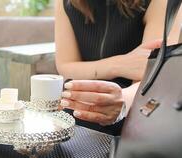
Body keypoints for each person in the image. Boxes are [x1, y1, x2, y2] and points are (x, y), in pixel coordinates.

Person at [55, 0, 182, 134]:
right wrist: (119, 65)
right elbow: (65, 66)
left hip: (135, 103)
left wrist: (123, 101)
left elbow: (154, 73)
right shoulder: (67, 3)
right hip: (80, 102)